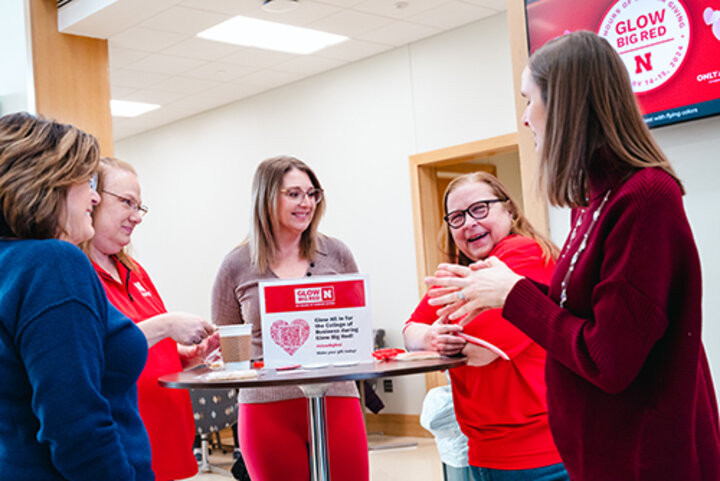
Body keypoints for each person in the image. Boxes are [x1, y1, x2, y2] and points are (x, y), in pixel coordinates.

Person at [426, 31, 720, 481]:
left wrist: (514, 294)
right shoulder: (593, 200)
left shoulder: (644, 197)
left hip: (642, 456)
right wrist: (500, 291)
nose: (525, 118)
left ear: (565, 104)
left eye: (530, 100)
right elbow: (596, 312)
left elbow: (608, 357)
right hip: (601, 452)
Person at [0, 112, 153, 480]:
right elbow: (76, 426)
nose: (95, 196)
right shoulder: (53, 264)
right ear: (48, 184)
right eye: (86, 181)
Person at [211, 155, 369, 481]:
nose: (306, 203)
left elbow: (357, 324)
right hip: (266, 407)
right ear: (267, 197)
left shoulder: (336, 253)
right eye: (294, 194)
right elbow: (224, 344)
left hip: (337, 399)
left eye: (312, 194)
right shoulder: (235, 265)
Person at [404, 172, 568, 481]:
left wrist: (434, 335)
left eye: (480, 208)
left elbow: (478, 349)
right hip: (486, 451)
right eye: (456, 217)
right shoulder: (464, 273)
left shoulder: (524, 254)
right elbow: (410, 330)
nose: (468, 223)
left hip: (535, 456)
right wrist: (430, 335)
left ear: (509, 210)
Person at [82, 156, 217, 481]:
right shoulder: (78, 273)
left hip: (168, 437)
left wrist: (182, 357)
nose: (136, 217)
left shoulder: (134, 270)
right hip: (125, 443)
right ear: (93, 199)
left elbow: (142, 344)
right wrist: (167, 325)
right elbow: (94, 352)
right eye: (127, 202)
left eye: (139, 207)